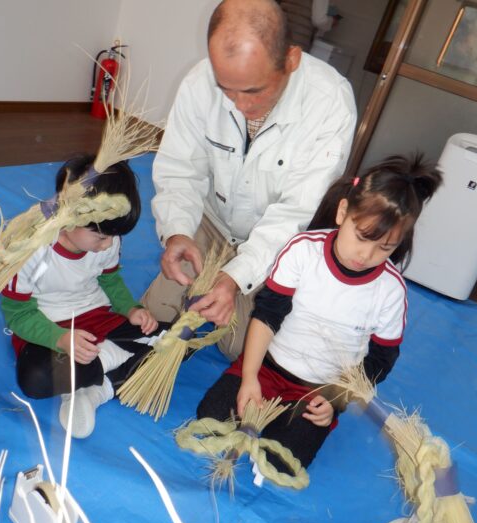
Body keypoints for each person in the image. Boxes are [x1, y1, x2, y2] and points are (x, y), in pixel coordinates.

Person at [196, 154, 441, 472]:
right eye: (362, 236)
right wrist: (250, 378)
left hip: (318, 392)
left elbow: (379, 361)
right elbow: (268, 316)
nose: (366, 254)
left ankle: (299, 421)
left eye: (385, 248)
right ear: (343, 212)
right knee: (211, 419)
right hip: (268, 368)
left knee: (284, 462)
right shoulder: (302, 251)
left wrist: (336, 400)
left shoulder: (391, 291)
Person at [144, 0, 357, 360]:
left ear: (291, 59)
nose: (240, 105)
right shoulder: (199, 82)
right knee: (153, 319)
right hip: (210, 223)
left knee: (242, 349)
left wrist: (234, 277)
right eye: (227, 89)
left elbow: (295, 215)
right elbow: (181, 169)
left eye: (254, 91)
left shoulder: (329, 102)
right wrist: (178, 231)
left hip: (276, 244)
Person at [0, 155, 164, 438]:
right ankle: (104, 371)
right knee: (35, 380)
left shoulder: (108, 236)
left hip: (98, 318)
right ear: (68, 216)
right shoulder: (35, 251)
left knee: (177, 341)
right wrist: (60, 339)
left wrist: (130, 308)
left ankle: (94, 391)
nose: (108, 244)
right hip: (49, 329)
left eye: (113, 237)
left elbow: (110, 280)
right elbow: (19, 314)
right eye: (100, 237)